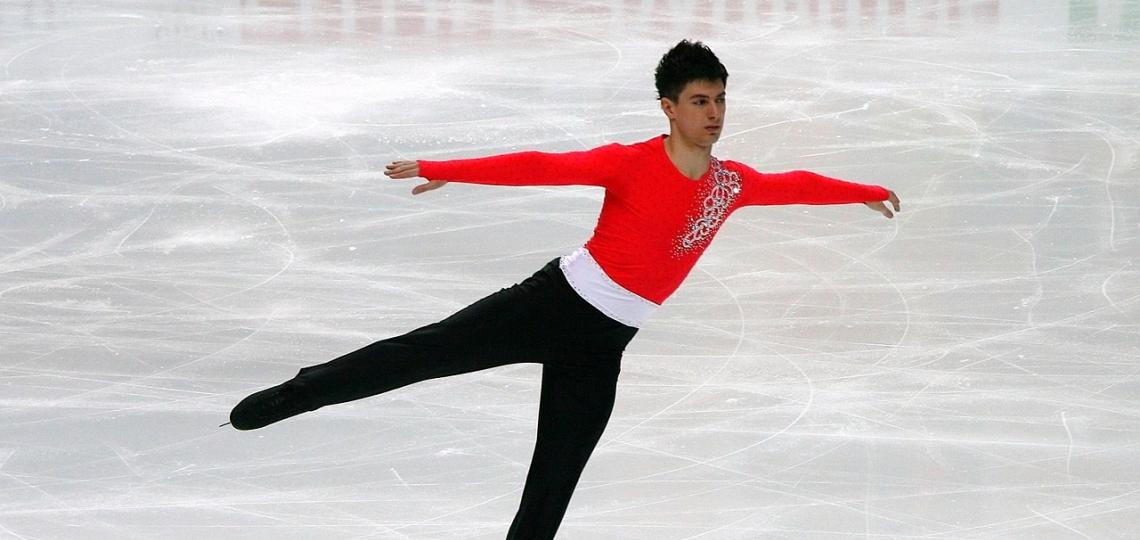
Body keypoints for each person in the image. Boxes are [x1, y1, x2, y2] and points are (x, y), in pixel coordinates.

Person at [229, 39, 901, 539]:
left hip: (603, 345)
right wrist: (446, 168)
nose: (715, 113)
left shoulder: (731, 184)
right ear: (668, 108)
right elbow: (539, 167)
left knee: (554, 481)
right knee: (422, 353)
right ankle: (302, 391)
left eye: (721, 99)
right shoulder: (630, 163)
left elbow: (799, 185)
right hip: (547, 306)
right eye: (700, 101)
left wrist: (868, 192)